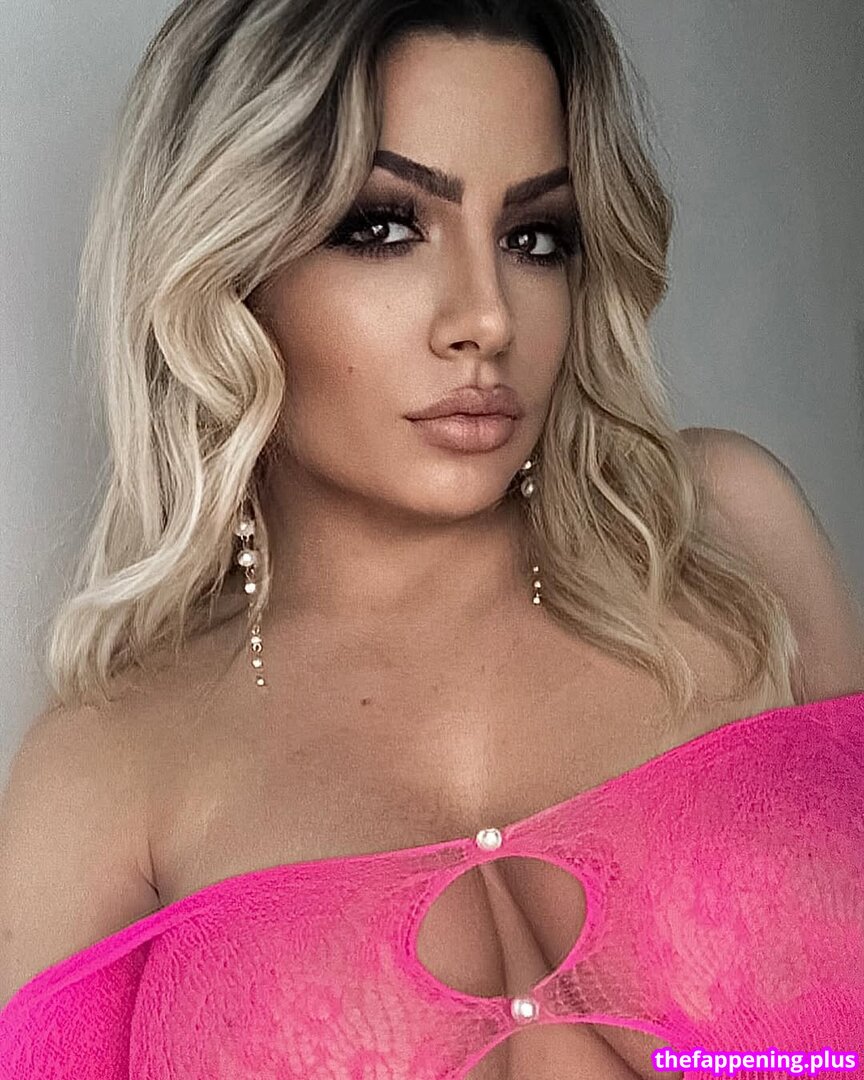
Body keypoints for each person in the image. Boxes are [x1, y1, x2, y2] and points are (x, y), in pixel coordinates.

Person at [1, 0, 863, 1075]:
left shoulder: (724, 539)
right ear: (231, 270)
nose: (487, 318)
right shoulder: (111, 769)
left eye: (532, 237)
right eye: (383, 227)